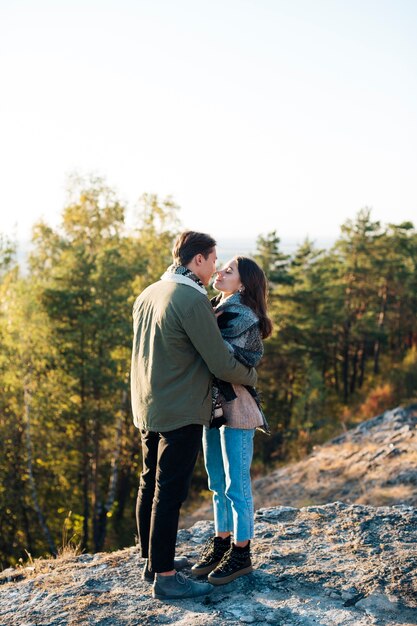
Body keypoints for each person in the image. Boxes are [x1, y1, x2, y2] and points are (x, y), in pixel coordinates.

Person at [131, 232, 258, 600]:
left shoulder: (150, 292)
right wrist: (250, 377)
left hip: (147, 403)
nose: (216, 267)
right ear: (198, 260)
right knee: (169, 492)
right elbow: (219, 360)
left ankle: (152, 562)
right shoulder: (191, 299)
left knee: (149, 481)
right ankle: (167, 577)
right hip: (179, 407)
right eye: (214, 259)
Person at [191, 256, 272, 585]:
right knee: (216, 483)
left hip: (236, 407)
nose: (220, 272)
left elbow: (212, 351)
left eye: (229, 271)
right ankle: (222, 541)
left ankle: (241, 553)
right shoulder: (216, 307)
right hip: (212, 406)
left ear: (243, 283)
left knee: (236, 485)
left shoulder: (240, 313)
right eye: (220, 267)